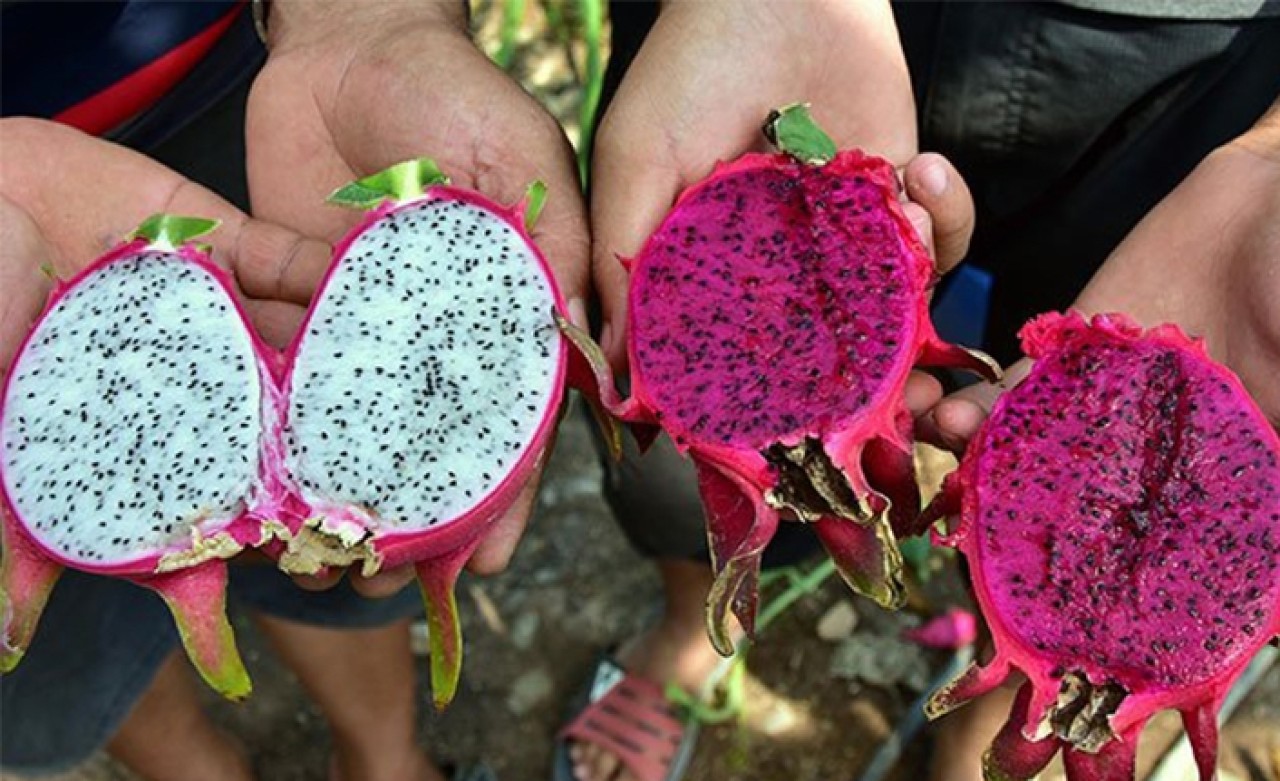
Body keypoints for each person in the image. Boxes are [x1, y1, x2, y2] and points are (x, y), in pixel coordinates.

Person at [559, 2, 1280, 781]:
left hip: (1190, 63)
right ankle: (693, 621)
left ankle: (1008, 686)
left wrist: (1271, 160)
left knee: (1026, 473)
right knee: (662, 419)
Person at [0, 1, 589, 779]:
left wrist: (363, 18)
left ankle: (384, 764)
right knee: (56, 665)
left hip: (221, 74)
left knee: (350, 570)